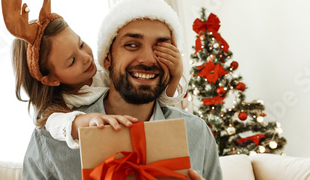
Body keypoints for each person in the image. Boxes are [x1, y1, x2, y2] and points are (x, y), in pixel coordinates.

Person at [18, 0, 238, 180]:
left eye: (162, 48)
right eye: (132, 45)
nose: (147, 59)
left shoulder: (196, 132)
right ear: (108, 57)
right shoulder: (53, 140)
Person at [12, 17, 186, 148]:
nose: (86, 58)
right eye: (72, 61)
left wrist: (176, 75)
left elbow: (156, 98)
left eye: (81, 45)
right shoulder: (58, 106)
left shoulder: (105, 74)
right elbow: (59, 124)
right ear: (51, 79)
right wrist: (87, 120)